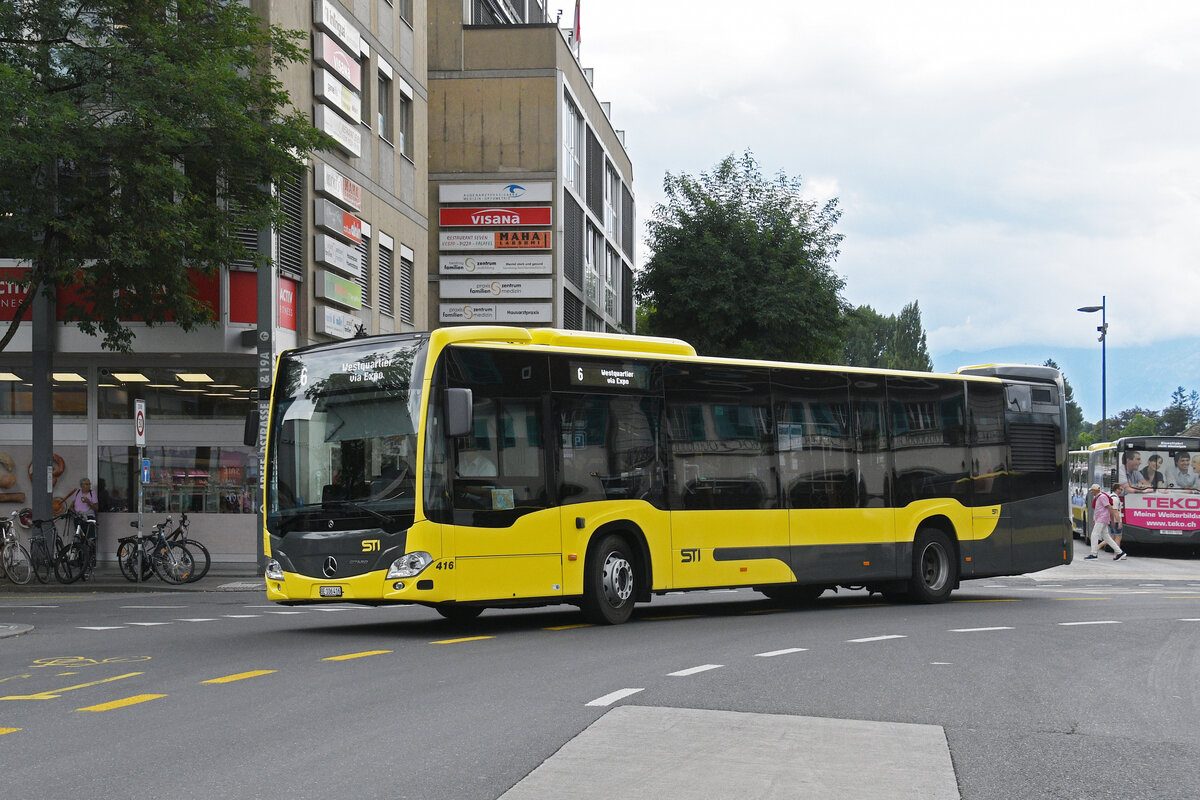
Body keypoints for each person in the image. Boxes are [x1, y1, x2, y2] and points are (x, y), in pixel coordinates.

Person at [1085, 484, 1127, 561]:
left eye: (1092, 490)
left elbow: (1110, 508)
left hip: (1102, 519)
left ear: (1096, 490)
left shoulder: (1102, 497)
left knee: (1094, 535)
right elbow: (1098, 510)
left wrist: (1112, 520)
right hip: (1101, 519)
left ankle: (1094, 554)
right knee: (1107, 537)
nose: (1092, 492)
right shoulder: (1099, 497)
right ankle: (1120, 552)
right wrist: (1095, 519)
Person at [72, 477, 99, 566]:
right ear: (82, 485)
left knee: (90, 538)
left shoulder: (92, 493)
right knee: (79, 539)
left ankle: (91, 560)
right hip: (78, 518)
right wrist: (75, 513)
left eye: (89, 484)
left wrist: (88, 502)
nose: (88, 486)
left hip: (89, 517)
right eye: (86, 484)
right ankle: (80, 560)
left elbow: (96, 508)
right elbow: (71, 506)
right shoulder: (77, 492)